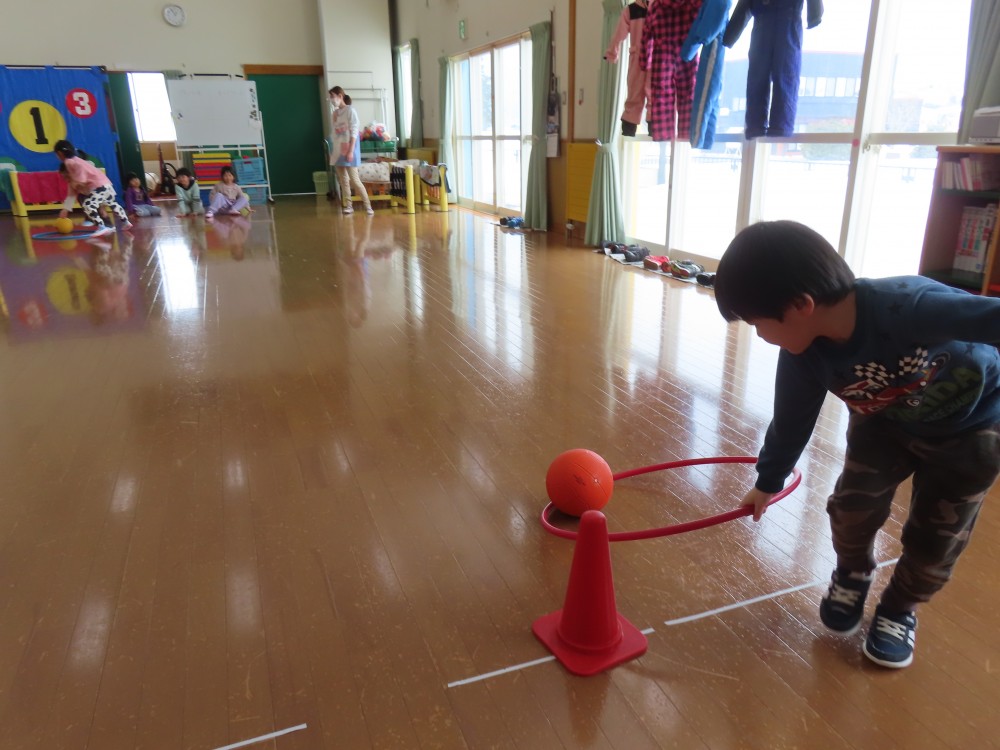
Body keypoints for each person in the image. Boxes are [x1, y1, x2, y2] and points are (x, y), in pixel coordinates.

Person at [713, 220, 1000, 669]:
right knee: (850, 510)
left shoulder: (909, 306)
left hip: (972, 430)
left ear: (801, 305)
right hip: (883, 423)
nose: (760, 335)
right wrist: (768, 480)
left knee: (936, 542)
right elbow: (791, 421)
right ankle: (852, 573)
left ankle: (899, 610)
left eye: (757, 323)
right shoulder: (804, 354)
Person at [54, 139, 131, 237]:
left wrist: (80, 181)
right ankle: (125, 222)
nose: (65, 179)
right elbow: (71, 196)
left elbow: (79, 170)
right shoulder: (73, 173)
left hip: (99, 187)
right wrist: (65, 209)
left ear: (60, 153)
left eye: (66, 176)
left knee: (88, 205)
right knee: (113, 204)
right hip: (106, 186)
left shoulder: (69, 162)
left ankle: (102, 226)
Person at [329, 86, 374, 216]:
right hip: (338, 149)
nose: (331, 99)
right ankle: (349, 206)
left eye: (332, 96)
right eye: (330, 97)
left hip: (349, 148)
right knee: (343, 180)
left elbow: (354, 131)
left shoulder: (350, 111)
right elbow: (335, 133)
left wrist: (350, 150)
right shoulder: (335, 113)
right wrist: (333, 151)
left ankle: (368, 206)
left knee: (355, 180)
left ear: (340, 96)